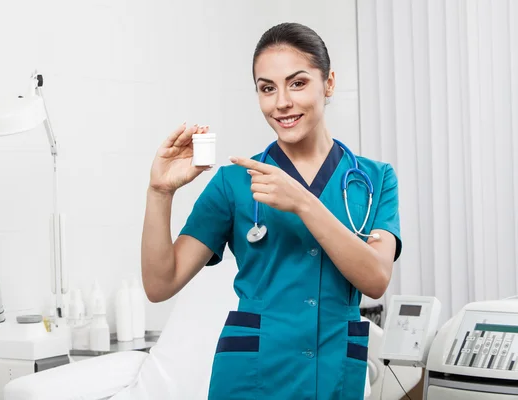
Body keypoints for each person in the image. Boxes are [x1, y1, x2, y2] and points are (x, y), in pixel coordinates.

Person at [141, 22, 401, 400]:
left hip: (335, 372)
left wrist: (302, 202)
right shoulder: (233, 184)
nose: (281, 102)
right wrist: (159, 191)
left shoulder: (375, 179)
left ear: (328, 84)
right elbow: (160, 284)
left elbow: (376, 279)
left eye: (297, 83)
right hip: (250, 379)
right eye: (267, 88)